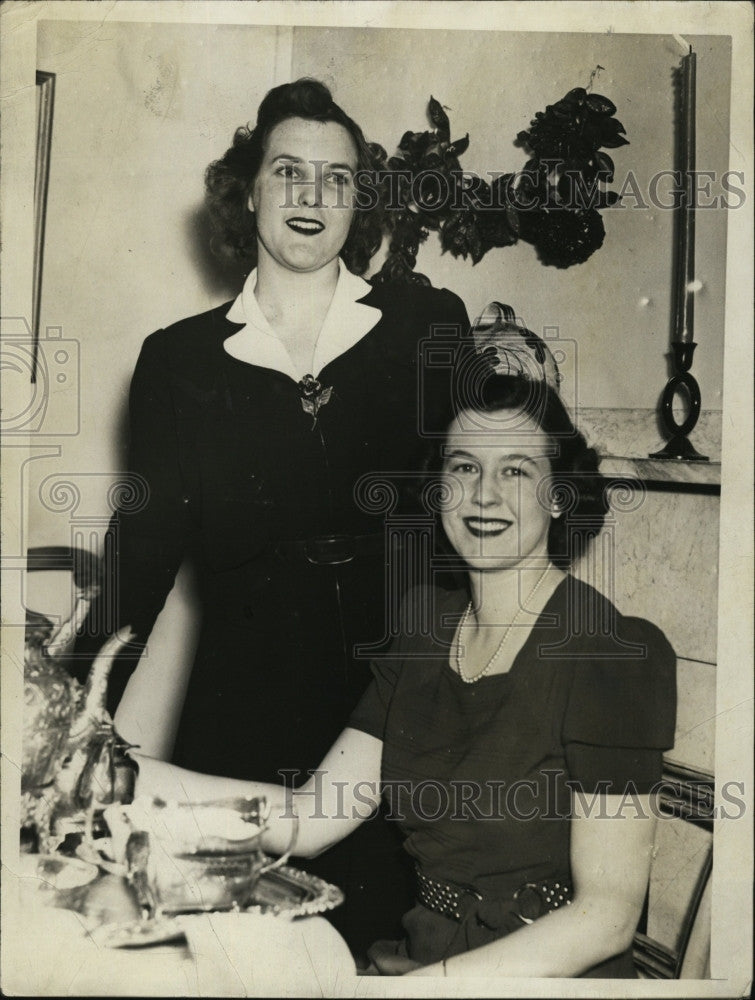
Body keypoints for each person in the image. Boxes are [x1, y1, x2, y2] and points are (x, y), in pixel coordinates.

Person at [74, 78, 470, 959]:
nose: (310, 196)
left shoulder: (425, 324)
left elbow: (474, 513)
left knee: (388, 955)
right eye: (287, 171)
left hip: (395, 705)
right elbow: (140, 552)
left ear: (359, 202)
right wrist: (73, 711)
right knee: (239, 957)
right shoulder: (177, 361)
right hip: (242, 711)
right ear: (246, 189)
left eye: (336, 178)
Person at [123, 371, 677, 978]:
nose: (484, 495)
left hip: (541, 980)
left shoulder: (613, 654)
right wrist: (121, 774)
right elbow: (312, 818)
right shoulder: (424, 626)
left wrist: (422, 992)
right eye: (463, 467)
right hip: (420, 958)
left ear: (559, 495)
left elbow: (607, 916)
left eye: (515, 471)